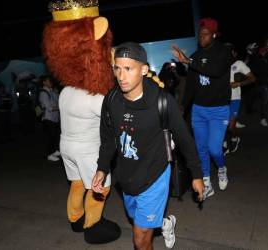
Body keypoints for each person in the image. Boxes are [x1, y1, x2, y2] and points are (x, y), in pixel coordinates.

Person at [92, 42, 204, 250]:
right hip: (126, 176)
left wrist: (196, 173)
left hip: (155, 175)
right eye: (117, 68)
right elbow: (108, 139)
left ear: (144, 69)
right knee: (138, 220)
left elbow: (184, 139)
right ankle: (165, 222)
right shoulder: (111, 100)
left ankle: (153, 224)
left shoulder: (162, 102)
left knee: (140, 238)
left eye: (128, 68)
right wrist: (102, 168)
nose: (121, 76)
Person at [42, 0, 121, 244]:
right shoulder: (95, 97)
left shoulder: (66, 90)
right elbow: (116, 118)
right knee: (100, 186)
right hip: (87, 150)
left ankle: (75, 218)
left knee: (77, 184)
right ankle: (93, 226)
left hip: (67, 147)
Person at [172, 18, 233, 199]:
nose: (201, 37)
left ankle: (221, 168)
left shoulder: (224, 51)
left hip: (218, 110)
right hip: (199, 110)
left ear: (214, 35)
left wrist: (188, 61)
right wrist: (183, 106)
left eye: (205, 34)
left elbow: (215, 70)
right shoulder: (196, 56)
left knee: (214, 149)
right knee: (201, 149)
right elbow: (191, 85)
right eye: (200, 34)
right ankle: (206, 182)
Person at [224, 44, 256, 154]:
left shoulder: (239, 64)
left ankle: (235, 138)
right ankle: (224, 144)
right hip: (221, 99)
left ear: (234, 53)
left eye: (230, 51)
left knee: (230, 127)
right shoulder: (220, 65)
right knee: (222, 125)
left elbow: (252, 78)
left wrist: (239, 83)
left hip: (234, 99)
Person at [39, 75, 60, 161]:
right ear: (44, 82)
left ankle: (54, 152)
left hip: (54, 118)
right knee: (51, 137)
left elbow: (58, 100)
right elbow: (49, 108)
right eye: (48, 81)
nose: (50, 82)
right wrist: (60, 107)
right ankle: (48, 154)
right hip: (48, 118)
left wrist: (56, 93)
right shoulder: (43, 93)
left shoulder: (51, 91)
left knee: (55, 136)